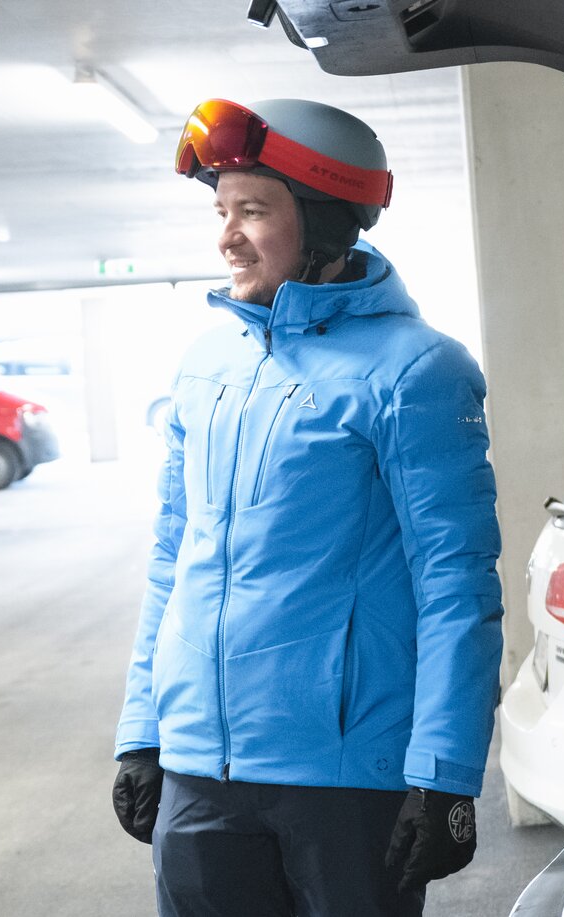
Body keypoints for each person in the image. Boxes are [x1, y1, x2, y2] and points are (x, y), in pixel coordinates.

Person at [112, 98, 505, 917]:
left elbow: (456, 587)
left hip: (343, 776)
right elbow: (172, 560)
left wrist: (444, 774)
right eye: (222, 212)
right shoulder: (205, 362)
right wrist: (142, 732)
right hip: (200, 769)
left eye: (252, 210)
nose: (225, 236)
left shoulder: (415, 372)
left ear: (325, 218)